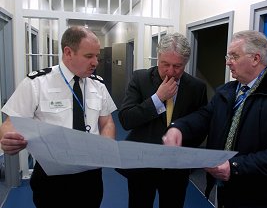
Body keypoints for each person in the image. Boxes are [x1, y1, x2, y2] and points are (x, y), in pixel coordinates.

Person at [163, 30, 267, 208]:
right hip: (226, 190)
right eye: (228, 56)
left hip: (262, 196)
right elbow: (204, 116)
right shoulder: (226, 91)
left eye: (234, 56)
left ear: (255, 59)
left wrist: (234, 166)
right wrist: (178, 127)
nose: (228, 62)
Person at [0, 26, 117, 208]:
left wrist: (106, 144)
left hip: (90, 174)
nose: (95, 62)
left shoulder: (98, 85)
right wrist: (8, 139)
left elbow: (107, 120)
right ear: (68, 52)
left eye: (97, 56)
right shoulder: (37, 83)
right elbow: (10, 123)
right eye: (89, 56)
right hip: (51, 175)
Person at [117, 32, 208, 208]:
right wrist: (157, 99)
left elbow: (201, 126)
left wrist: (184, 147)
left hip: (177, 167)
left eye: (177, 66)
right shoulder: (140, 78)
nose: (171, 71)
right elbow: (126, 119)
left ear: (186, 63)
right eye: (165, 64)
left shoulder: (197, 87)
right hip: (142, 164)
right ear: (158, 58)